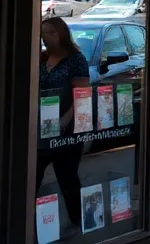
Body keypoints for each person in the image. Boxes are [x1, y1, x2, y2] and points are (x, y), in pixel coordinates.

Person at [36, 17, 90, 231]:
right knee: (33, 174)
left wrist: (65, 120)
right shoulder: (41, 57)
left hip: (65, 129)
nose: (44, 37)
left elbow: (82, 94)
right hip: (40, 126)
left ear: (60, 34)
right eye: (42, 33)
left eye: (49, 32)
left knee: (67, 177)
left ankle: (79, 221)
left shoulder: (76, 59)